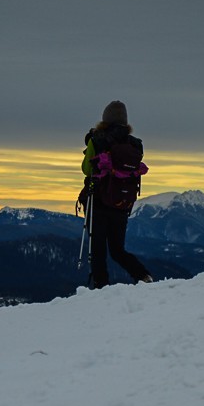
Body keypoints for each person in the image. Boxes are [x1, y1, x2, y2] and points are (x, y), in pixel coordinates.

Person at [81, 100, 153, 289]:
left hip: (98, 202)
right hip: (122, 203)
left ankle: (101, 286)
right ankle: (143, 275)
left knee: (98, 249)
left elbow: (87, 169)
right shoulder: (135, 145)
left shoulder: (97, 140)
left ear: (105, 119)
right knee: (117, 250)